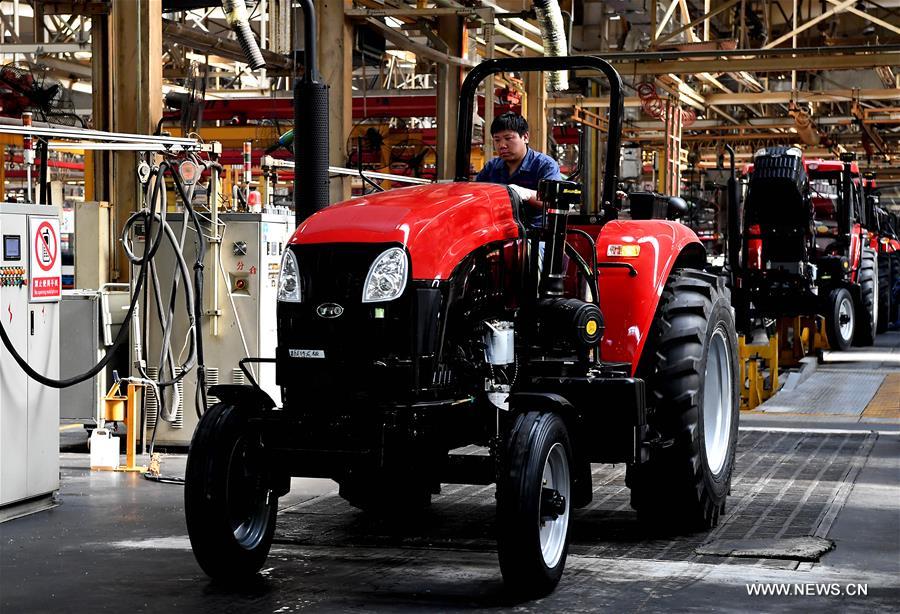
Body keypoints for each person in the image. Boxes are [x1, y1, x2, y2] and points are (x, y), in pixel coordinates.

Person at [476, 112, 562, 228]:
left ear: (525, 137)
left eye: (508, 138)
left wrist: (525, 194)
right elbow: (477, 196)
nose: (502, 145)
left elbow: (555, 202)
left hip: (535, 234)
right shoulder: (491, 167)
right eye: (497, 140)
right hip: (498, 230)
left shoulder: (545, 165)